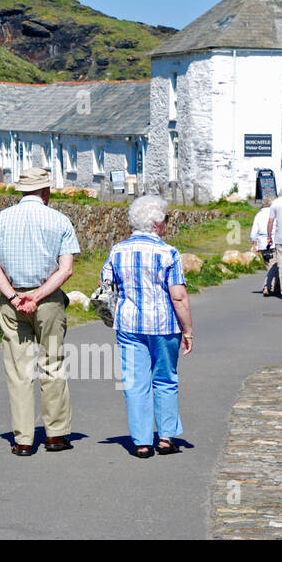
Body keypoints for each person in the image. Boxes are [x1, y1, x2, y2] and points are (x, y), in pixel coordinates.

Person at [0, 167, 81, 456]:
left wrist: (14, 297)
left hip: (12, 301)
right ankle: (56, 435)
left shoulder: (1, 219)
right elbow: (66, 269)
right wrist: (37, 295)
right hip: (47, 301)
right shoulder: (60, 220)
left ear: (22, 191)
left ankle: (24, 439)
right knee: (52, 364)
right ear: (45, 192)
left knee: (18, 370)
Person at [100, 194, 194, 458]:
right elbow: (178, 295)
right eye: (165, 220)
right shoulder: (169, 253)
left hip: (129, 323)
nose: (166, 225)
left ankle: (141, 442)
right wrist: (188, 330)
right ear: (155, 224)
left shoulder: (117, 250)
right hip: (164, 325)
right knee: (165, 379)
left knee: (135, 382)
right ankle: (165, 438)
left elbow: (106, 287)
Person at [250, 193, 280, 297]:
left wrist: (254, 243)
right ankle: (267, 286)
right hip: (273, 242)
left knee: (270, 265)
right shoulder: (275, 214)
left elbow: (254, 231)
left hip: (262, 244)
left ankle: (276, 286)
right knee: (274, 265)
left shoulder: (258, 214)